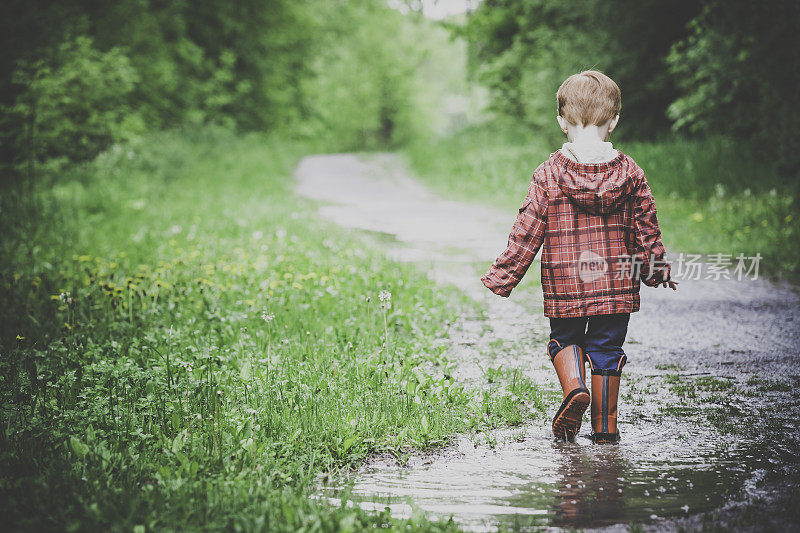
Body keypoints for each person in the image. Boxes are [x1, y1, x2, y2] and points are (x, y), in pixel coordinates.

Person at [481, 70, 677, 443]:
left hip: (565, 284)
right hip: (616, 285)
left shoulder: (549, 172)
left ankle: (574, 388)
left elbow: (528, 228)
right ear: (614, 121)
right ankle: (606, 430)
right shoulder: (631, 172)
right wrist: (655, 271)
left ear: (561, 122)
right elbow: (645, 229)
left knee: (564, 338)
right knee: (607, 349)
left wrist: (503, 275)